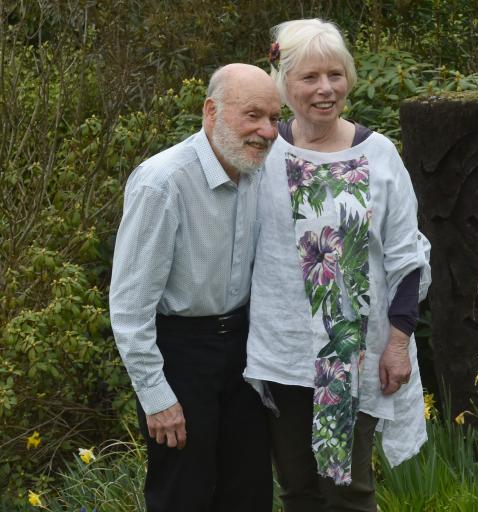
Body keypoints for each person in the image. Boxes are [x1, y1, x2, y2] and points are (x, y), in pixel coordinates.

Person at [244, 19, 432, 512]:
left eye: (336, 74)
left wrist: (398, 343)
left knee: (347, 492)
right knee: (299, 493)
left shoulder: (379, 155)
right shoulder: (263, 154)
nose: (325, 89)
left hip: (352, 356)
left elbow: (406, 257)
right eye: (309, 77)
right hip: (280, 352)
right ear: (284, 83)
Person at [109, 63, 280, 512]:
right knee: (182, 495)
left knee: (249, 491)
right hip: (181, 353)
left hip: (246, 349)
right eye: (253, 115)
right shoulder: (162, 182)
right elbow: (129, 309)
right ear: (211, 111)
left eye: (274, 119)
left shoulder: (259, 169)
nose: (267, 131)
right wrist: (156, 396)